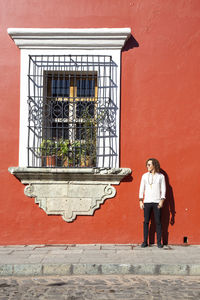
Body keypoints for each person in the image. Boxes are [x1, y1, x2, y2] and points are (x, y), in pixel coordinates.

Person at [139, 158, 166, 248]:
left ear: (154, 165)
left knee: (158, 222)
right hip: (147, 202)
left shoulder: (161, 176)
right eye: (147, 164)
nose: (147, 166)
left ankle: (159, 242)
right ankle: (145, 241)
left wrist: (162, 200)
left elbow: (163, 189)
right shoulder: (144, 176)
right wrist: (140, 201)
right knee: (146, 222)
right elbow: (141, 189)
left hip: (157, 202)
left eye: (149, 164)